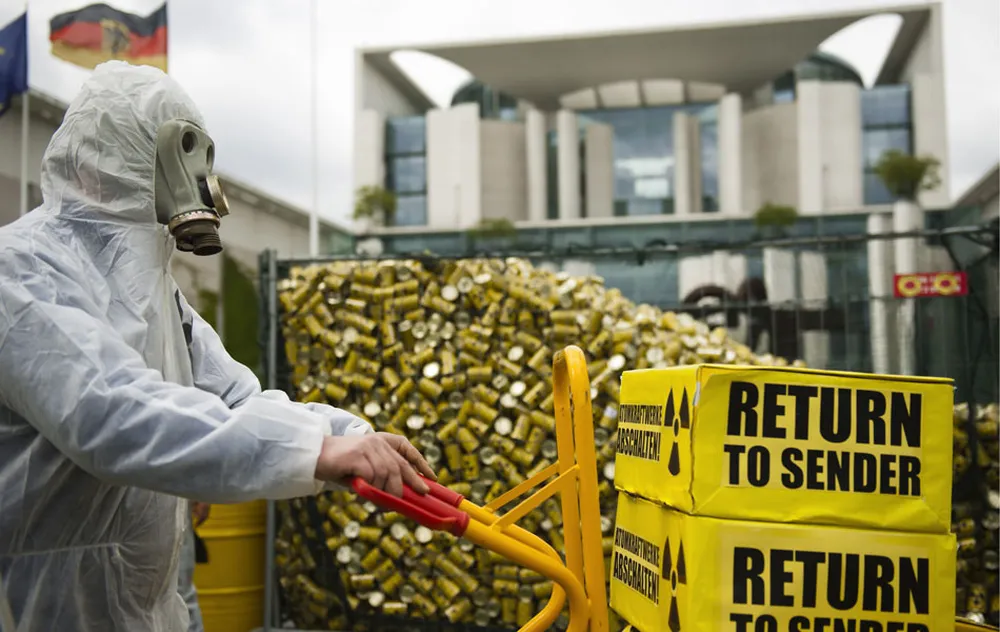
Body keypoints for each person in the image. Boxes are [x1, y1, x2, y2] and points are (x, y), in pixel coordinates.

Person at [0, 61, 434, 632]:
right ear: (129, 156)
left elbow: (237, 399)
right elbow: (107, 411)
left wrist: (348, 434)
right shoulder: (19, 270)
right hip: (37, 606)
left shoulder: (156, 291)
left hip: (149, 607)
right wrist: (314, 452)